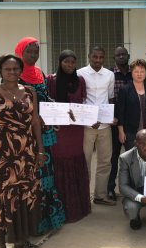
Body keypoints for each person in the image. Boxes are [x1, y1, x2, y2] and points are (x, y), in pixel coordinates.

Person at [0, 54, 46, 248]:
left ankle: (21, 239)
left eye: (16, 68)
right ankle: (0, 245)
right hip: (1, 155)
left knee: (25, 194)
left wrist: (40, 150)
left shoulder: (29, 92)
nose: (13, 72)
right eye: (8, 69)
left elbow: (35, 122)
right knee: (2, 199)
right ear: (0, 71)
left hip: (26, 153)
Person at [14, 37, 65, 234]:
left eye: (36, 52)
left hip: (45, 133)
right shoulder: (14, 75)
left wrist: (58, 114)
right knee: (31, 177)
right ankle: (31, 224)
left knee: (47, 175)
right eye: (29, 51)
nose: (33, 55)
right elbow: (14, 107)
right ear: (20, 52)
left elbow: (45, 98)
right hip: (26, 135)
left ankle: (47, 220)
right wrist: (36, 117)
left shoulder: (38, 73)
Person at [46, 50, 92, 223]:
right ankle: (60, 208)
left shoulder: (80, 80)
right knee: (60, 160)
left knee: (75, 159)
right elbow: (46, 102)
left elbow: (83, 103)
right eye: (66, 61)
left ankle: (78, 207)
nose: (70, 65)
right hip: (59, 129)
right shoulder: (51, 80)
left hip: (75, 129)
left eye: (73, 62)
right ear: (60, 62)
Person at [77, 46, 117, 206]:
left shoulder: (109, 75)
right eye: (95, 57)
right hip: (87, 126)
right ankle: (84, 197)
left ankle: (100, 195)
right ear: (89, 56)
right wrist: (87, 119)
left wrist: (111, 116)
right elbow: (79, 99)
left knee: (105, 161)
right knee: (85, 161)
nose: (98, 60)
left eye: (101, 57)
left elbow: (110, 98)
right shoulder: (80, 73)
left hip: (105, 126)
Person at [108, 46, 132, 201]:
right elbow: (107, 98)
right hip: (114, 123)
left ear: (128, 56)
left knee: (131, 158)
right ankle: (110, 188)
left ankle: (131, 189)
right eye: (118, 55)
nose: (122, 57)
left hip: (131, 122)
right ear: (114, 58)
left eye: (124, 54)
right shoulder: (110, 75)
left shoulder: (134, 73)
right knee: (113, 157)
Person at [117, 59, 146, 150]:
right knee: (132, 160)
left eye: (142, 71)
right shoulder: (124, 89)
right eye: (136, 71)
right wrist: (121, 131)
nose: (139, 74)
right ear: (131, 73)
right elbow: (120, 112)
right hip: (130, 132)